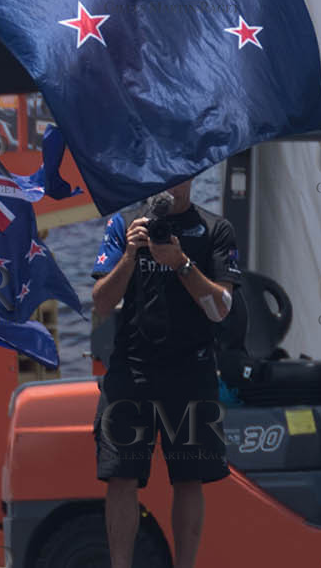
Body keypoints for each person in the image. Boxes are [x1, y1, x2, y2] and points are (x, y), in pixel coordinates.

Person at [91, 179, 239, 568]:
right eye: (164, 173)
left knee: (189, 476)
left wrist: (181, 263)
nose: (173, 182)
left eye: (180, 174)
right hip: (132, 369)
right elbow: (102, 303)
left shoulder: (215, 229)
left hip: (190, 368)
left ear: (192, 177)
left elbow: (221, 309)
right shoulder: (126, 224)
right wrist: (130, 255)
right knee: (120, 475)